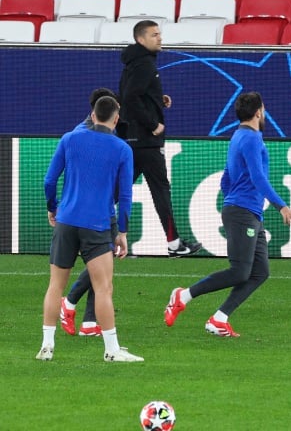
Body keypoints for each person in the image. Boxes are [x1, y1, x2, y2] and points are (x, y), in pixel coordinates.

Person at [163, 92, 291, 337]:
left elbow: (227, 176)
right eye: (263, 109)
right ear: (258, 112)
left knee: (259, 272)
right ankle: (182, 296)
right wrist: (281, 206)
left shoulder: (239, 136)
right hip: (243, 212)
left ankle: (219, 318)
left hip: (246, 212)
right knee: (239, 271)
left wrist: (233, 200)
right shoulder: (252, 139)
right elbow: (258, 178)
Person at [38, 95, 143, 362]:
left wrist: (54, 207)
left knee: (55, 287)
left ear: (93, 115)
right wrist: (122, 231)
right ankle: (111, 350)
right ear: (116, 119)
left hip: (66, 222)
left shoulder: (69, 139)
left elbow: (49, 181)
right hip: (96, 226)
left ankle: (47, 346)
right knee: (103, 288)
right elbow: (126, 196)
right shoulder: (122, 149)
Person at [119, 19, 202, 257]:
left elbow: (130, 95)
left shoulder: (134, 63)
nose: (160, 38)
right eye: (154, 34)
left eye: (159, 33)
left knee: (117, 191)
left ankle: (83, 230)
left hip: (132, 140)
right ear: (141, 39)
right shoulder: (144, 64)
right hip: (146, 141)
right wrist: (153, 123)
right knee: (160, 191)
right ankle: (174, 244)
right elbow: (131, 99)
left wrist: (156, 99)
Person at [60, 88, 121, 337]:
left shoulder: (93, 133)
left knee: (103, 268)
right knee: (101, 262)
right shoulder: (80, 135)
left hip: (102, 208)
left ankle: (88, 322)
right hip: (89, 213)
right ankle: (70, 302)